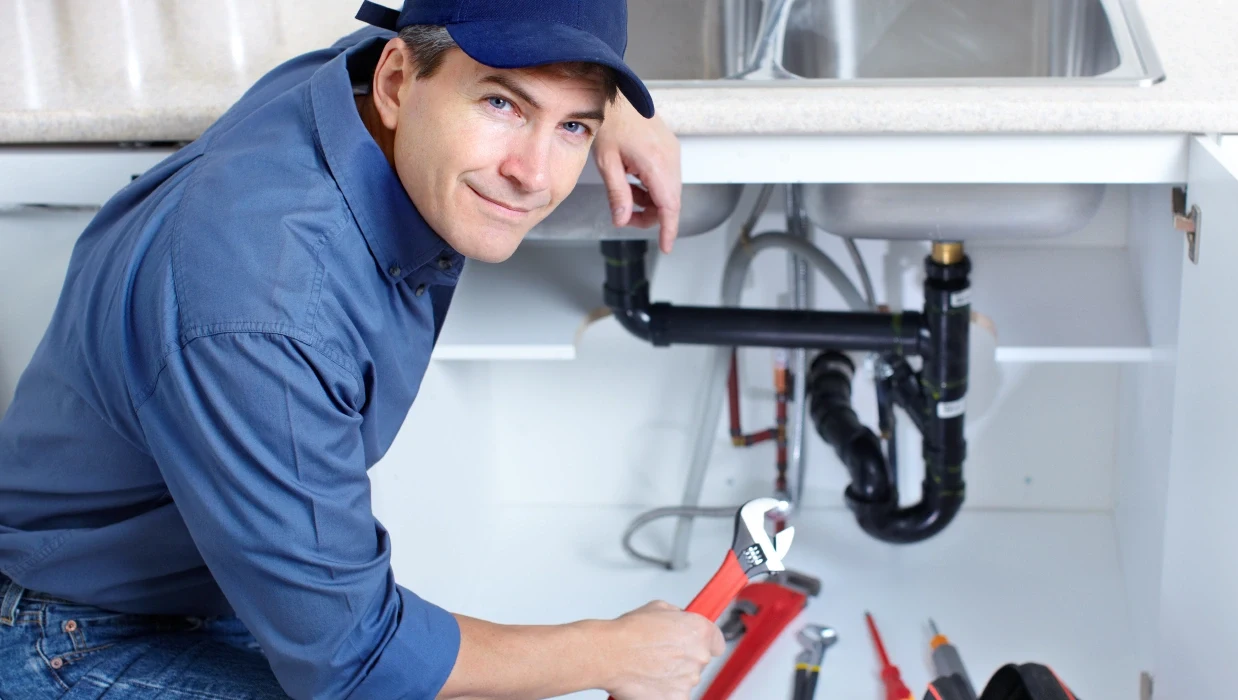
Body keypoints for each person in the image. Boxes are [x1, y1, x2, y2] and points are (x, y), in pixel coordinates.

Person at [0, 1, 725, 698]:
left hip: (204, 600)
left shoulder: (345, 93)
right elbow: (355, 663)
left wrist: (610, 106)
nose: (533, 175)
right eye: (501, 106)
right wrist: (614, 653)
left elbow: (468, 50)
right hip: (69, 638)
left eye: (572, 127)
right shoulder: (265, 308)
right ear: (398, 83)